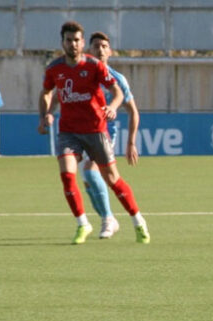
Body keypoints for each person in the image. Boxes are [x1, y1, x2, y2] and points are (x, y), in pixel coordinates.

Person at [37, 21, 150, 245]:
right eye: (69, 40)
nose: (73, 44)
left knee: (112, 179)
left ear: (82, 42)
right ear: (63, 43)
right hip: (68, 131)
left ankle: (138, 221)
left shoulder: (95, 67)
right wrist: (45, 115)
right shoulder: (54, 69)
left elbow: (116, 92)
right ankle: (84, 223)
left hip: (96, 130)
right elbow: (48, 92)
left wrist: (112, 107)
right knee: (69, 176)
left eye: (77, 40)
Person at [75, 31, 144, 241]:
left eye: (105, 46)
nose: (100, 49)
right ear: (89, 50)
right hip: (80, 133)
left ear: (110, 51)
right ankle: (110, 219)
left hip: (104, 134)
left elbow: (133, 111)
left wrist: (131, 142)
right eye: (96, 46)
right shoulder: (80, 74)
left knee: (89, 171)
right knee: (89, 181)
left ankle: (108, 219)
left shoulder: (117, 79)